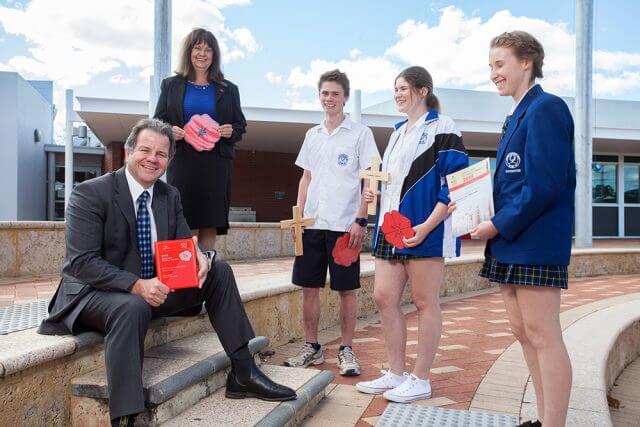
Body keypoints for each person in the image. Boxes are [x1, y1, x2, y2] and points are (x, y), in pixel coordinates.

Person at [38, 119, 295, 427]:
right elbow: (82, 263)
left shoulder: (168, 195)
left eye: (161, 154)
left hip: (152, 288)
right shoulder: (91, 193)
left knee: (220, 272)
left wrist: (201, 258)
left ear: (169, 160)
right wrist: (136, 285)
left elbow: (185, 243)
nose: (152, 159)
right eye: (145, 150)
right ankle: (125, 416)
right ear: (129, 151)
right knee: (130, 305)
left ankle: (244, 372)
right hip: (93, 293)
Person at [471, 31, 575, 427]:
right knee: (522, 331)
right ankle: (542, 417)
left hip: (534, 240)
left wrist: (497, 223)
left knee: (543, 334)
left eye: (500, 64)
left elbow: (545, 183)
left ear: (526, 61)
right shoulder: (516, 114)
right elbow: (511, 182)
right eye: (491, 66)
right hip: (510, 242)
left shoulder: (547, 108)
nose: (493, 73)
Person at [355, 66, 468, 403]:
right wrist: (379, 195)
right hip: (391, 230)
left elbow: (454, 185)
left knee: (424, 302)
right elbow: (395, 180)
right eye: (395, 89)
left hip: (427, 231)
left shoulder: (444, 128)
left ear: (423, 90)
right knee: (384, 298)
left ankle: (420, 378)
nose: (398, 95)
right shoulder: (397, 133)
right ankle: (396, 373)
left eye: (403, 88)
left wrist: (427, 226)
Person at [283, 70, 379, 377]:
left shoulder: (360, 134)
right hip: (312, 224)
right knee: (308, 289)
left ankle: (346, 350)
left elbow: (370, 178)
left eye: (335, 93)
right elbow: (306, 177)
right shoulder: (312, 135)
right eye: (325, 93)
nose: (329, 98)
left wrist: (361, 220)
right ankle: (311, 348)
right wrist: (299, 217)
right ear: (320, 96)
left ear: (345, 97)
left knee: (346, 289)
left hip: (344, 227)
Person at [154, 27, 246, 251]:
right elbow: (158, 121)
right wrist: (170, 131)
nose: (202, 54)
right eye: (197, 48)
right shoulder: (171, 85)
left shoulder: (229, 89)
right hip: (184, 161)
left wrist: (229, 131)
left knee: (209, 223)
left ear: (214, 55)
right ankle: (185, 278)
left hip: (217, 164)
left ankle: (208, 275)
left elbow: (240, 126)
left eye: (208, 49)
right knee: (184, 220)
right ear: (189, 51)